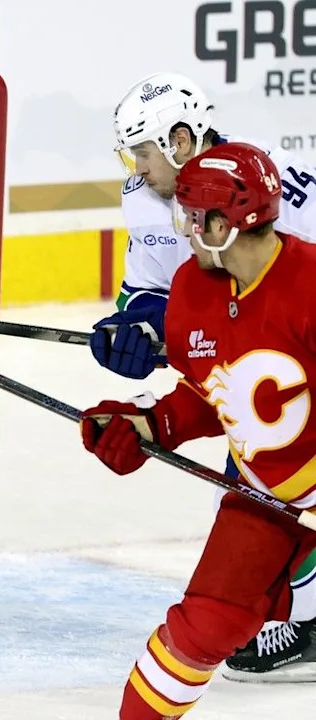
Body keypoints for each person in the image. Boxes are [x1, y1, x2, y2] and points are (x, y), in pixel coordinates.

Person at [91, 72, 316, 681]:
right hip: (252, 372)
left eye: (143, 151)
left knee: (266, 491)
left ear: (181, 139)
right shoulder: (145, 197)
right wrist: (135, 332)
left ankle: (304, 623)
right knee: (254, 492)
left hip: (298, 365)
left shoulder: (277, 186)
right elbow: (149, 293)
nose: (137, 168)